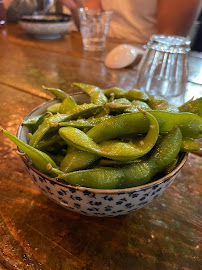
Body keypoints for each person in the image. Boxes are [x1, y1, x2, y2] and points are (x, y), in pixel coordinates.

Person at [59, 0, 201, 43]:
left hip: (143, 64)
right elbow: (92, 27)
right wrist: (76, 7)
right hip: (99, 58)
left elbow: (170, 40)